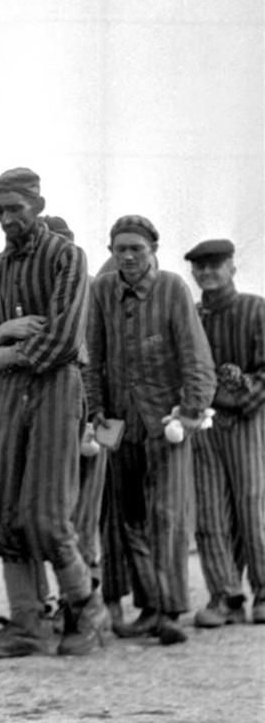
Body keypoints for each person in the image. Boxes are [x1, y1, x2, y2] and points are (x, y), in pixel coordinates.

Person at [0, 167, 105, 658]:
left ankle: (86, 607)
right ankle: (27, 623)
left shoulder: (67, 256)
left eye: (15, 208)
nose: (6, 218)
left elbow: (63, 338)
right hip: (9, 394)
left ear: (37, 206)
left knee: (46, 514)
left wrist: (6, 349)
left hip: (57, 386)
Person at [84, 214, 216, 645]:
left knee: (167, 515)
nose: (127, 256)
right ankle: (146, 607)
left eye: (135, 248)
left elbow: (195, 354)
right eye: (119, 248)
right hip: (120, 423)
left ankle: (171, 611)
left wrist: (190, 408)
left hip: (166, 420)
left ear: (152, 250)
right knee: (125, 518)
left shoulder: (173, 288)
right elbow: (94, 356)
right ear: (110, 252)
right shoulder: (101, 291)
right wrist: (97, 408)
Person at [184, 239, 265, 626]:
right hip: (202, 423)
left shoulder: (255, 308)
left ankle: (264, 592)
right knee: (210, 510)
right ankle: (226, 596)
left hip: (248, 421)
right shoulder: (192, 314)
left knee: (253, 506)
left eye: (215, 264)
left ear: (232, 266)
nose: (206, 272)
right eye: (199, 267)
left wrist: (237, 390)